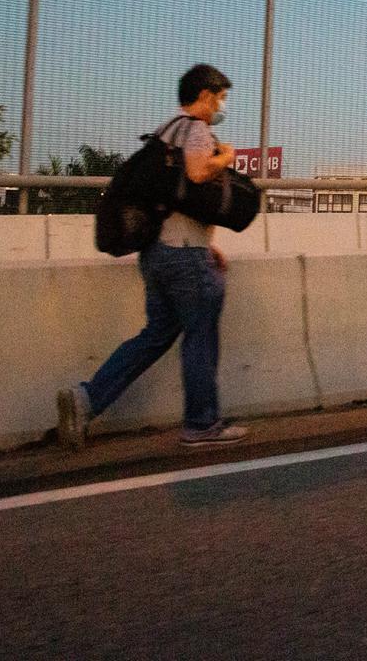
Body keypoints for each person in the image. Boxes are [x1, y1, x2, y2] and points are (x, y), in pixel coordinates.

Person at [56, 64, 247, 449]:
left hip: (157, 254)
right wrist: (225, 157)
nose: (222, 106)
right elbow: (197, 175)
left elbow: (172, 198)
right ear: (205, 95)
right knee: (200, 337)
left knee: (155, 335)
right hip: (185, 259)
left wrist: (206, 244)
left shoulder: (164, 134)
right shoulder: (196, 130)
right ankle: (202, 425)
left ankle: (86, 399)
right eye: (221, 98)